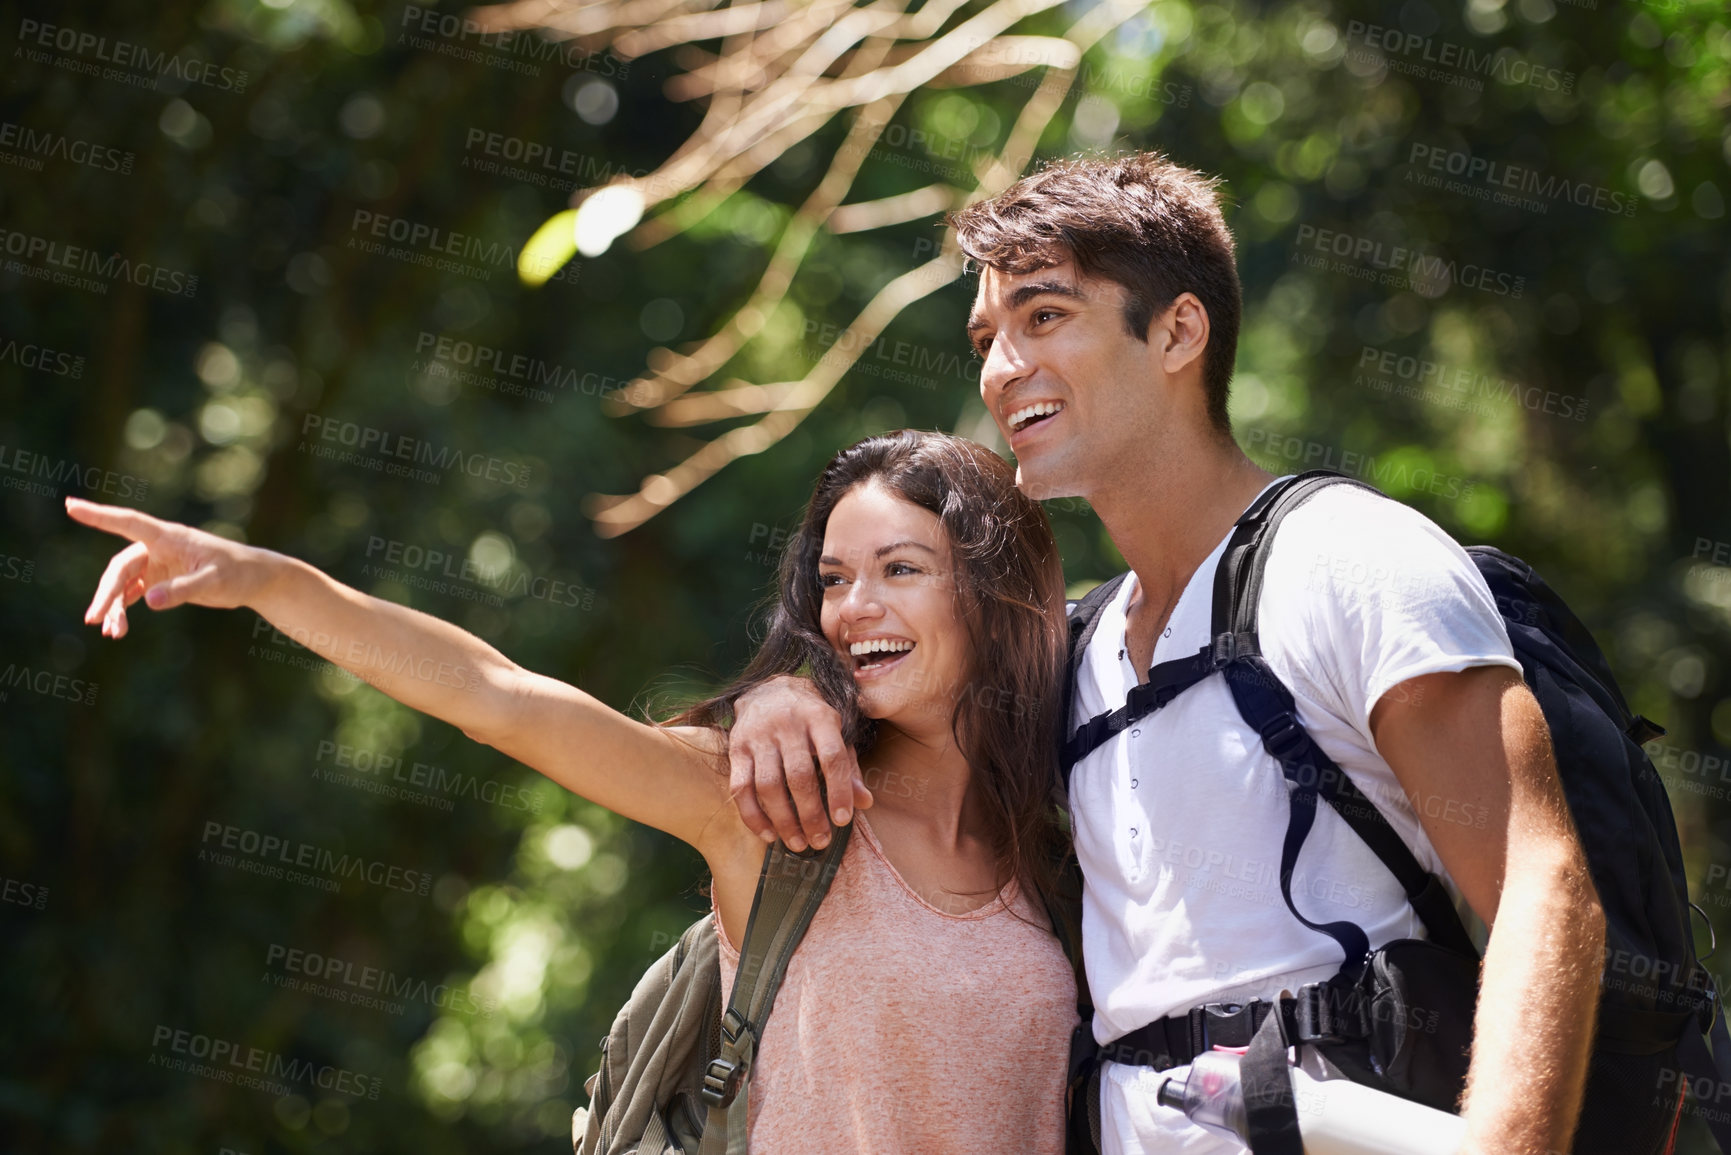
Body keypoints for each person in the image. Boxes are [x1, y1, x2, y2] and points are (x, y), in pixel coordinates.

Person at [724, 153, 1608, 1155]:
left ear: (1180, 330)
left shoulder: (1349, 563)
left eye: (1045, 317)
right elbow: (912, 702)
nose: (1002, 366)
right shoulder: (1081, 650)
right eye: (988, 336)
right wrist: (789, 697)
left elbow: (1544, 885)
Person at [67, 429, 1080, 1153]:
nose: (854, 607)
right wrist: (266, 580)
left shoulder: (1074, 837)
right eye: (832, 578)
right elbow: (499, 698)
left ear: (994, 589)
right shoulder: (776, 810)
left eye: (899, 569)